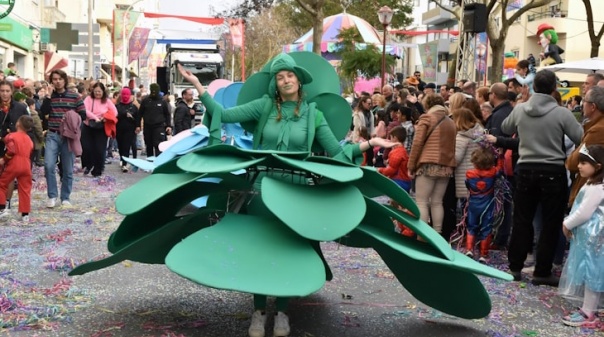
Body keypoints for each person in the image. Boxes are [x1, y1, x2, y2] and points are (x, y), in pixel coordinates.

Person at [178, 53, 395, 337]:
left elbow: (337, 152)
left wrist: (369, 144)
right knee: (258, 251)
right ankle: (258, 313)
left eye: (290, 75)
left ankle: (281, 313)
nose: (285, 80)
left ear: (299, 80)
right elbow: (224, 114)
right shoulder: (264, 106)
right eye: (280, 77)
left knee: (287, 252)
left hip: (296, 193)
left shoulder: (313, 114)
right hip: (260, 188)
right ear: (275, 84)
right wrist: (199, 87)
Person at [502, 69, 583, 286]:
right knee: (550, 222)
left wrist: (522, 105)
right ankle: (542, 271)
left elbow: (505, 127)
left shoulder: (520, 109)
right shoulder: (562, 113)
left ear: (533, 87)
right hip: (552, 170)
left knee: (521, 219)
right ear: (554, 88)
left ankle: (515, 267)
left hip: (526, 168)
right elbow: (579, 136)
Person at [559, 144, 604, 328]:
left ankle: (588, 313)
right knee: (591, 273)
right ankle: (589, 308)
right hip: (591, 236)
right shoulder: (593, 183)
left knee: (591, 273)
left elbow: (584, 212)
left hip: (592, 238)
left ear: (598, 166)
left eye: (584, 163)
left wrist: (567, 223)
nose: (579, 166)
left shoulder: (596, 187)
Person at [407, 101, 456, 235]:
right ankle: (437, 233)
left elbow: (417, 144)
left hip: (427, 164)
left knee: (421, 201)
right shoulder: (451, 122)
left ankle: (422, 235)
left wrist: (411, 165)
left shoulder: (427, 118)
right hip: (446, 166)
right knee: (437, 202)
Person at [40, 69, 86, 208]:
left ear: (65, 80)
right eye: (54, 79)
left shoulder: (75, 96)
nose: (57, 81)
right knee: (48, 165)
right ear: (51, 81)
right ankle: (52, 195)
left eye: (60, 79)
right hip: (53, 134)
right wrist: (48, 97)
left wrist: (72, 119)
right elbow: (44, 112)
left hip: (68, 137)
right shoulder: (50, 97)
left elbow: (83, 114)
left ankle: (65, 197)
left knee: (68, 169)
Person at [464, 146, 500, 263]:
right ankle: (483, 254)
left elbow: (468, 186)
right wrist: (500, 157)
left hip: (473, 205)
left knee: (471, 226)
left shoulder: (469, 174)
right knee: (486, 228)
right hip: (487, 205)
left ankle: (469, 249)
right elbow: (499, 169)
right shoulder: (494, 173)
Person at [0, 115, 33, 222]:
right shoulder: (29, 139)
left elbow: (11, 150)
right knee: (25, 188)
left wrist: (4, 159)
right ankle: (24, 214)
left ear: (18, 124)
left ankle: (2, 208)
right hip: (26, 164)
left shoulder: (11, 136)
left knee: (2, 184)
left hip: (14, 163)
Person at [139, 83, 172, 157]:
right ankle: (150, 163)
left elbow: (167, 114)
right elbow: (140, 113)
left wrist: (168, 125)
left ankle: (158, 163)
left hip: (159, 127)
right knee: (149, 146)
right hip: (148, 127)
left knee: (159, 146)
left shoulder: (162, 101)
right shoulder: (146, 101)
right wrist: (138, 125)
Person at [115, 87, 141, 172]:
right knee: (120, 146)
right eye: (124, 94)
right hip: (119, 129)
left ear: (130, 96)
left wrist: (138, 126)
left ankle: (124, 163)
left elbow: (138, 118)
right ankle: (122, 159)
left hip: (130, 130)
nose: (125, 96)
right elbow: (115, 115)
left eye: (127, 94)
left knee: (126, 146)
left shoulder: (134, 107)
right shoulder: (117, 106)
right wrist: (124, 114)